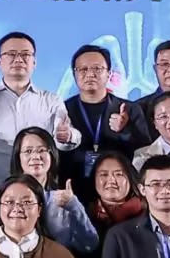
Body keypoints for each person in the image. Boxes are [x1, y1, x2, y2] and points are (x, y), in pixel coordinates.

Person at [0, 32, 64, 184]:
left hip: (38, 187)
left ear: (34, 62)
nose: (19, 59)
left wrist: (67, 136)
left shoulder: (52, 100)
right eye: (11, 54)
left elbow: (66, 141)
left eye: (25, 54)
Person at [55, 45, 146, 189]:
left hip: (119, 189)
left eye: (97, 69)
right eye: (83, 69)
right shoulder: (61, 110)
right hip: (73, 189)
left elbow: (145, 153)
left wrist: (125, 131)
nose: (90, 74)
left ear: (109, 74)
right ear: (74, 74)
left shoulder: (129, 109)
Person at [16, 127, 98, 258]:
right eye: (28, 151)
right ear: (18, 157)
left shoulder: (64, 201)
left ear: (52, 155)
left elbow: (89, 245)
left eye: (41, 150)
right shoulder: (4, 198)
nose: (35, 156)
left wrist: (74, 207)